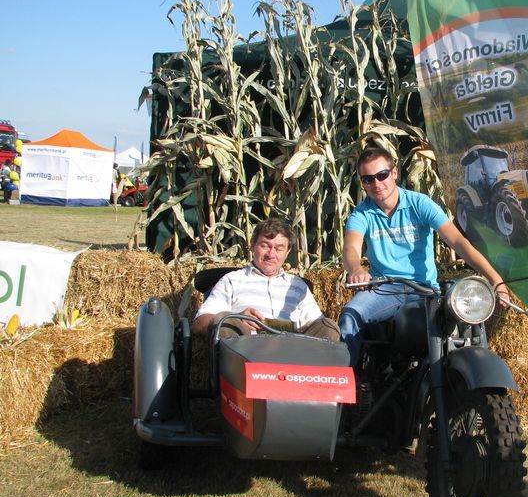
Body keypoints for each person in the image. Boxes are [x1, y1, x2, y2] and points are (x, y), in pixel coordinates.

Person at [339, 146, 510, 365]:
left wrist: (495, 279)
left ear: (394, 173)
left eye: (381, 175)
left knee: (462, 322)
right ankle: (347, 389)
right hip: (383, 288)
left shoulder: (419, 204)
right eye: (368, 179)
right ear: (362, 183)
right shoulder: (362, 213)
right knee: (351, 315)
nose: (376, 184)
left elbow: (458, 242)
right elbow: (351, 249)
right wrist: (356, 269)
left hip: (423, 290)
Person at [192, 218, 340, 341]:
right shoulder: (232, 280)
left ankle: (313, 376)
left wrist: (304, 328)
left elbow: (317, 324)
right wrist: (236, 317)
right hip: (246, 351)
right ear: (252, 246)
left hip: (294, 352)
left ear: (287, 252)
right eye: (265, 246)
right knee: (224, 320)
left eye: (279, 248)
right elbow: (199, 324)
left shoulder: (297, 286)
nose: (271, 254)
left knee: (329, 327)